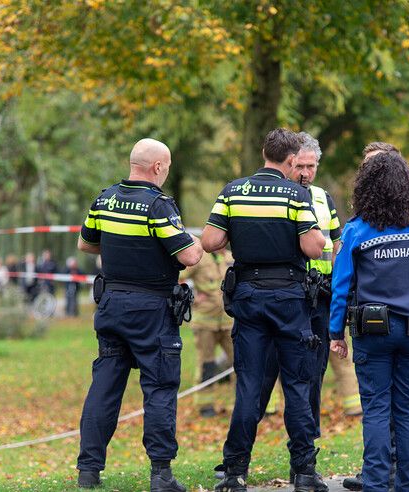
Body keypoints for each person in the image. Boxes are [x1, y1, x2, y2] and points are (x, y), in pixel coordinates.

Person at [201, 128, 328, 492]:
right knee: (298, 385)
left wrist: (237, 234)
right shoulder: (296, 194)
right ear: (290, 161)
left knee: (250, 386)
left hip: (248, 297)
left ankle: (234, 471)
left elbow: (210, 241)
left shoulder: (232, 191)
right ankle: (304, 472)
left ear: (263, 153)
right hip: (289, 297)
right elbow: (314, 248)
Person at [75, 138, 203, 490]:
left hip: (112, 304)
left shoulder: (105, 198)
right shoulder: (158, 206)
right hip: (151, 310)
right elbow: (188, 256)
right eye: (168, 166)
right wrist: (201, 243)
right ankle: (161, 474)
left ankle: (88, 471)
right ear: (158, 167)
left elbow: (86, 243)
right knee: (160, 387)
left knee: (105, 385)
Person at [330, 150, 409, 492]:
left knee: (376, 410)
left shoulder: (357, 231)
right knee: (407, 411)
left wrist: (336, 332)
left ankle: (376, 485)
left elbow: (341, 285)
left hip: (373, 329)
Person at [259, 131, 361, 438]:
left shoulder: (321, 197)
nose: (305, 173)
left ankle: (309, 436)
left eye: (311, 166)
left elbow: (337, 241)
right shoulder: (272, 194)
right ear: (289, 162)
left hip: (319, 296)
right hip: (281, 293)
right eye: (300, 166)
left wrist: (339, 277)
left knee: (315, 370)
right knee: (273, 368)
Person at [342, 141, 401, 492]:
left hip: (382, 324)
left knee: (386, 405)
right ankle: (383, 471)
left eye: (374, 165)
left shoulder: (392, 221)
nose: (368, 171)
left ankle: (384, 474)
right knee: (383, 405)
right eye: (365, 165)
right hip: (379, 320)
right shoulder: (362, 219)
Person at [182, 248, 235, 417]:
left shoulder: (231, 257)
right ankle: (206, 407)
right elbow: (177, 277)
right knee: (207, 365)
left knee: (240, 363)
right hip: (205, 321)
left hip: (229, 321)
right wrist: (191, 297)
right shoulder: (199, 257)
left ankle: (241, 404)